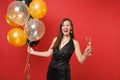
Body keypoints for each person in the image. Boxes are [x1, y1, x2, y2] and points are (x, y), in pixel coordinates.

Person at [27, 18, 92, 80]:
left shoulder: (75, 43)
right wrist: (33, 52)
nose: (65, 27)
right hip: (51, 71)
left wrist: (85, 54)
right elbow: (48, 53)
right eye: (63, 25)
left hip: (63, 74)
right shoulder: (55, 39)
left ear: (71, 28)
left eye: (68, 25)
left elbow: (81, 60)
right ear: (61, 28)